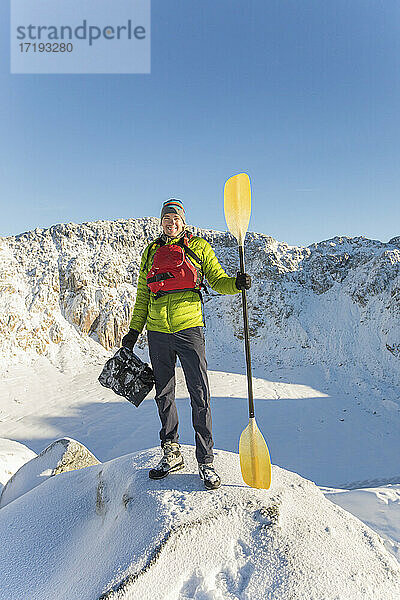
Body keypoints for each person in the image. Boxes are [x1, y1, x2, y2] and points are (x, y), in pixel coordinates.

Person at [121, 199, 251, 490]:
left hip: (189, 329)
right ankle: (171, 453)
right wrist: (133, 332)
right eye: (166, 218)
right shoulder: (151, 251)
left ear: (183, 222)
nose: (171, 223)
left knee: (199, 393)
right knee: (163, 394)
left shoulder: (199, 247)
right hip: (157, 332)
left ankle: (206, 461)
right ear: (161, 222)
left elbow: (217, 280)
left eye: (175, 218)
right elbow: (143, 293)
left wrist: (236, 283)